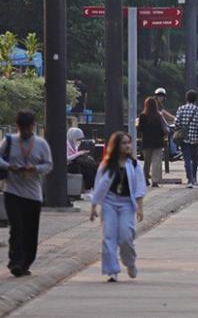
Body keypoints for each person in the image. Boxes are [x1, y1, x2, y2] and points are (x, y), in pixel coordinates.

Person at [0, 110, 53, 277]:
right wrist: (8, 166)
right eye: (22, 128)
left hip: (33, 194)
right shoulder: (9, 141)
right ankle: (16, 261)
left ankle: (26, 263)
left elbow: (48, 165)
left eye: (28, 128)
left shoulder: (41, 144)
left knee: (30, 231)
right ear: (18, 126)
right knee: (16, 228)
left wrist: (36, 169)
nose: (25, 132)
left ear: (33, 126)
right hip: (12, 191)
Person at [89, 131, 146, 282]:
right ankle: (112, 270)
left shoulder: (134, 165)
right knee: (109, 236)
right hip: (109, 203)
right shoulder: (106, 165)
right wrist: (94, 206)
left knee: (126, 237)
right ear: (116, 146)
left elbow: (140, 187)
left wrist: (140, 208)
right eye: (124, 143)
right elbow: (99, 186)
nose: (128, 146)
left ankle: (130, 263)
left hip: (127, 204)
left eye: (129, 143)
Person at [173, 90, 198, 188]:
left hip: (184, 139)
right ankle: (194, 179)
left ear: (186, 98)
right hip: (195, 139)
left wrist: (180, 129)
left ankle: (189, 180)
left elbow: (176, 123)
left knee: (187, 159)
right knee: (195, 159)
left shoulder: (181, 109)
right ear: (195, 99)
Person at [137, 97, 167, 187]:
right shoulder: (159, 116)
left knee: (147, 161)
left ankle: (145, 178)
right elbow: (163, 129)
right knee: (156, 162)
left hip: (146, 142)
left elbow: (140, 129)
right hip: (157, 142)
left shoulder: (142, 116)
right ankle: (155, 180)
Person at [66, 127, 97, 191]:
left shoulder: (75, 145)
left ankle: (92, 186)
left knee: (91, 164)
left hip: (75, 163)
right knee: (84, 166)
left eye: (80, 139)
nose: (79, 141)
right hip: (68, 165)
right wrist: (79, 153)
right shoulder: (65, 145)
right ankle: (89, 187)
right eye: (78, 139)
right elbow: (66, 158)